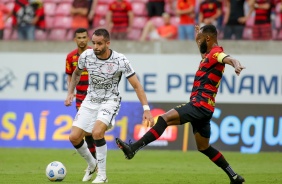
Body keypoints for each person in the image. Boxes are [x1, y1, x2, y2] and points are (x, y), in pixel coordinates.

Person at [116, 24, 246, 184]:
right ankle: (234, 176)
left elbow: (227, 58)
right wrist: (197, 36)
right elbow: (208, 54)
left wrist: (236, 63)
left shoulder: (216, 53)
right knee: (204, 147)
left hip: (199, 105)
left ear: (208, 38)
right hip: (206, 108)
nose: (197, 43)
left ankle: (133, 149)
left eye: (199, 40)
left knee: (163, 119)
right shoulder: (208, 57)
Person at [65, 28, 154, 183]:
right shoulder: (86, 56)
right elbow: (76, 73)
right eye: (94, 43)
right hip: (90, 100)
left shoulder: (120, 60)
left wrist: (146, 109)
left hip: (110, 100)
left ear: (108, 43)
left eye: (99, 44)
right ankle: (92, 164)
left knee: (97, 132)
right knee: (74, 137)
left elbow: (137, 85)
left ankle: (102, 175)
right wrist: (70, 92)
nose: (96, 47)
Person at [65, 27, 98, 182]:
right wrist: (70, 93)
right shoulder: (70, 57)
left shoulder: (95, 53)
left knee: (91, 132)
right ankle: (93, 163)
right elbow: (70, 77)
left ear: (88, 38)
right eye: (79, 37)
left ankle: (94, 164)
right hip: (80, 98)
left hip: (96, 97)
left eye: (85, 37)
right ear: (75, 40)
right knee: (86, 131)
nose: (82, 40)